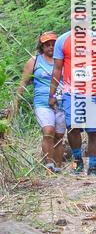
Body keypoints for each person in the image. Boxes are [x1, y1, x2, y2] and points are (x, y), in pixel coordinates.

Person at [48, 16, 96, 176]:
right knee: (73, 128)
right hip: (71, 92)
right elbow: (57, 69)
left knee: (94, 131)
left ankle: (93, 167)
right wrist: (52, 93)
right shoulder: (62, 40)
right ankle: (78, 161)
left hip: (94, 91)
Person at [12, 32, 66, 174]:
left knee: (59, 136)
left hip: (61, 102)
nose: (50, 47)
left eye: (53, 44)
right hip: (42, 102)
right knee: (48, 131)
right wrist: (16, 103)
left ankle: (58, 167)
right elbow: (23, 83)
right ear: (41, 47)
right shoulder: (34, 61)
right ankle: (49, 166)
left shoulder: (63, 60)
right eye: (47, 44)